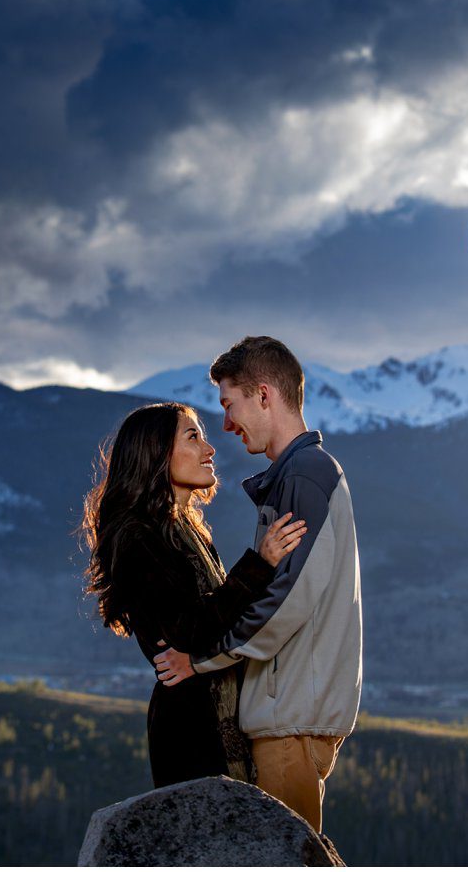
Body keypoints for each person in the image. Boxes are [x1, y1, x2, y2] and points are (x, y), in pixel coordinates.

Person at [154, 336, 362, 835]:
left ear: (264, 395)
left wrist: (198, 658)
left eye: (230, 405)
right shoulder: (296, 476)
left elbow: (286, 601)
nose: (226, 425)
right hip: (288, 713)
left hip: (289, 717)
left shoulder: (305, 477)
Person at [81, 401, 308, 788]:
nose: (210, 448)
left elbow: (215, 620)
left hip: (212, 717)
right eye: (193, 436)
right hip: (190, 729)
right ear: (156, 454)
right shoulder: (139, 537)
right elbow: (189, 630)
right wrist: (260, 564)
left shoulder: (185, 530)